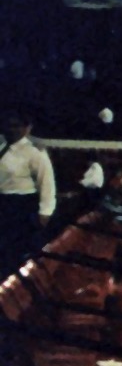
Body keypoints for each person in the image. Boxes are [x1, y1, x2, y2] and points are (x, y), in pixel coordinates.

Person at [0, 110, 55, 278]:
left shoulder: (34, 151)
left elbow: (46, 182)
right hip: (3, 202)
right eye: (9, 125)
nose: (12, 129)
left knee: (17, 248)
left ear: (27, 128)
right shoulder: (1, 145)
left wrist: (45, 212)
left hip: (21, 205)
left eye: (17, 126)